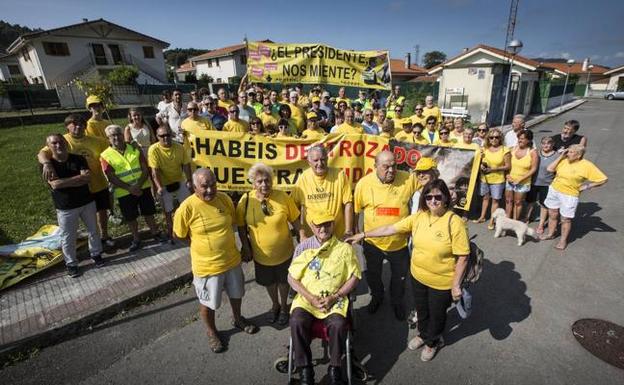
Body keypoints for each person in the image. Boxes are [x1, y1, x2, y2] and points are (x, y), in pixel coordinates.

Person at [347, 179, 470, 362]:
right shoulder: (419, 217)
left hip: (441, 281)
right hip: (418, 276)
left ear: (446, 198)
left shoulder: (454, 222)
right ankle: (423, 334)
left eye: (438, 196)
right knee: (422, 309)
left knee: (437, 314)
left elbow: (463, 257)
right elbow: (390, 228)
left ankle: (432, 342)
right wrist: (364, 234)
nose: (433, 201)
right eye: (429, 197)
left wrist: (455, 285)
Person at [174, 168, 258, 353]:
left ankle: (238, 319)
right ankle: (212, 332)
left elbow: (235, 224)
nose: (210, 190)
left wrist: (245, 246)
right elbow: (179, 234)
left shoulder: (224, 199)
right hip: (207, 267)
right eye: (204, 186)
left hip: (232, 261)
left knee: (237, 294)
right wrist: (198, 244)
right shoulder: (187, 207)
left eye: (213, 184)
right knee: (209, 303)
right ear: (194, 187)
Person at [288, 210, 361, 385]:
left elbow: (355, 276)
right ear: (312, 226)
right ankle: (305, 370)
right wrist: (310, 297)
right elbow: (291, 277)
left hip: (334, 300)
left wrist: (336, 296)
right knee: (296, 321)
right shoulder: (303, 248)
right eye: (319, 224)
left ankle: (335, 368)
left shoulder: (344, 248)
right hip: (307, 300)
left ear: (333, 225)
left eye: (327, 224)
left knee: (338, 324)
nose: (323, 228)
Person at [354, 151, 417, 320]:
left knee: (399, 278)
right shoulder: (363, 184)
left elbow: (429, 184)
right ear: (375, 167)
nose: (391, 170)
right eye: (386, 166)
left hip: (399, 243)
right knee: (373, 275)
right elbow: (356, 211)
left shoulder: (407, 178)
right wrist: (355, 233)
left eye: (394, 166)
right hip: (372, 243)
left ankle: (397, 301)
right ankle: (377, 296)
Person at [236, 163, 301, 325]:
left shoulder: (283, 197)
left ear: (272, 180)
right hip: (261, 256)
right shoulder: (246, 200)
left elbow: (295, 220)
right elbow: (241, 226)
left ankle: (285, 307)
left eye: (267, 180)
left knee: (284, 282)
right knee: (269, 282)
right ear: (253, 183)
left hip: (284, 253)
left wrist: (303, 238)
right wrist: (245, 246)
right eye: (259, 181)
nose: (264, 184)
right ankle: (275, 304)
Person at [38, 114, 114, 248]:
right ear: (67, 126)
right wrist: (46, 164)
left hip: (98, 182)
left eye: (81, 124)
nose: (78, 127)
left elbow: (113, 148)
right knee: (78, 217)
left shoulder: (97, 141)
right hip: (77, 189)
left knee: (101, 211)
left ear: (85, 126)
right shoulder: (61, 141)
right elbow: (42, 153)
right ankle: (76, 244)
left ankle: (104, 236)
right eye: (74, 124)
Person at [43, 133, 104, 277]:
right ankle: (71, 263)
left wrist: (64, 181)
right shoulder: (48, 165)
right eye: (54, 143)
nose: (59, 145)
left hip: (86, 202)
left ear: (66, 142)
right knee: (68, 237)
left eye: (61, 142)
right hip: (66, 207)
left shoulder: (78, 158)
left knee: (93, 230)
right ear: (49, 146)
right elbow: (55, 185)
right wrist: (78, 179)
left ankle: (96, 254)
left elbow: (87, 178)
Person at [100, 125, 162, 251]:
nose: (116, 137)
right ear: (108, 139)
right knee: (130, 217)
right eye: (113, 136)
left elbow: (145, 168)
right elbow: (111, 177)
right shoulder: (105, 155)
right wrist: (129, 188)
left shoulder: (135, 148)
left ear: (123, 135)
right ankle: (136, 239)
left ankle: (155, 233)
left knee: (148, 212)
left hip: (142, 187)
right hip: (124, 192)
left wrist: (138, 185)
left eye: (118, 134)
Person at [542, 144, 607, 250]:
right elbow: (550, 169)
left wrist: (587, 186)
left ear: (579, 155)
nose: (568, 153)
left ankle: (563, 241)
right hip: (554, 190)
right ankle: (550, 234)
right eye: (568, 151)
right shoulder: (564, 160)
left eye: (571, 152)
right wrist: (561, 156)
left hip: (569, 195)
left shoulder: (587, 165)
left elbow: (603, 179)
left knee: (565, 219)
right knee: (552, 214)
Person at [292, 145, 354, 239]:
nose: (320, 163)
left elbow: (348, 203)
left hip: (337, 237)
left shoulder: (340, 175)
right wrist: (301, 233)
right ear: (309, 162)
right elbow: (292, 209)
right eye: (316, 160)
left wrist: (348, 231)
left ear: (327, 158)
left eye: (323, 159)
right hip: (312, 238)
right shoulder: (303, 179)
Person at [148, 126, 193, 242]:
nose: (165, 138)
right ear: (157, 137)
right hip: (164, 184)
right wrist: (159, 187)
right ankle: (171, 234)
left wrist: (188, 180)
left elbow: (186, 165)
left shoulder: (179, 147)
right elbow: (154, 171)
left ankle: (189, 230)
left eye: (168, 135)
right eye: (162, 136)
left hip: (178, 179)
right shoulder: (153, 149)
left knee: (186, 207)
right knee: (168, 211)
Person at [474, 128, 511, 228]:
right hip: (484, 178)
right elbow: (481, 161)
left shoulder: (505, 150)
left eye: (496, 137)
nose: (494, 139)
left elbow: (508, 166)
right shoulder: (484, 149)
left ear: (500, 138)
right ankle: (482, 217)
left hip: (498, 180)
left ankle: (492, 220)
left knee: (495, 200)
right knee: (485, 198)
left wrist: (494, 169)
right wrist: (481, 165)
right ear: (488, 139)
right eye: (491, 137)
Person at [525, 136, 557, 234]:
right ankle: (526, 218)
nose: (546, 145)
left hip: (547, 184)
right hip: (534, 182)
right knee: (530, 201)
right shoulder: (536, 153)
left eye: (548, 143)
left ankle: (541, 224)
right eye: (544, 143)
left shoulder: (557, 156)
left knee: (544, 205)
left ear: (553, 144)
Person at [505, 130, 538, 220]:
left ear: (529, 140)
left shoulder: (532, 152)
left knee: (518, 202)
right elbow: (506, 164)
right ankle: (507, 220)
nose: (520, 140)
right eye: (519, 138)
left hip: (523, 182)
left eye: (522, 139)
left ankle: (515, 222)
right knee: (508, 201)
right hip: (510, 180)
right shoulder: (512, 149)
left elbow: (533, 169)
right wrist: (507, 175)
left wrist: (520, 179)